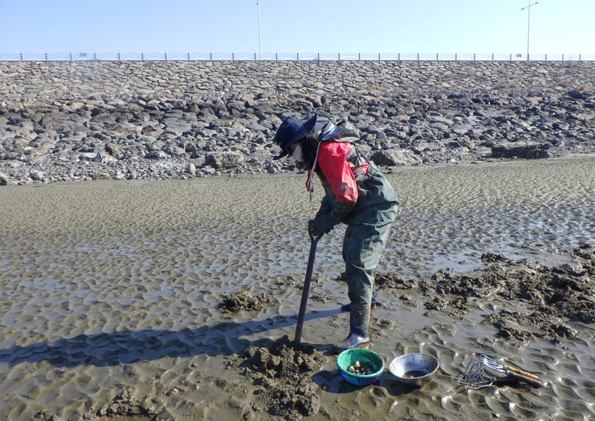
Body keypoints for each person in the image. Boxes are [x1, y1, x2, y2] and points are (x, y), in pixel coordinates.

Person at [273, 113, 399, 351]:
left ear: (303, 140)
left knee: (358, 263)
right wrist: (321, 216)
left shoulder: (328, 152)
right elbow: (335, 191)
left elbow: (347, 197)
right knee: (350, 254)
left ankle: (359, 335)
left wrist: (328, 221)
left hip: (377, 207)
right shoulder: (317, 152)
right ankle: (366, 301)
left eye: (291, 150)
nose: (292, 156)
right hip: (364, 206)